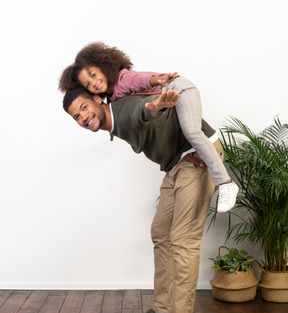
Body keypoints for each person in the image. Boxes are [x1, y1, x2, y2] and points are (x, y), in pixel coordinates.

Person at [61, 83, 225, 313]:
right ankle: (161, 312)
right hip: (177, 163)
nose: (82, 117)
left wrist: (157, 106)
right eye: (76, 116)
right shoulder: (113, 120)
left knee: (184, 241)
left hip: (197, 156)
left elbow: (143, 111)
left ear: (95, 99)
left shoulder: (123, 111)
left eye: (84, 108)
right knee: (161, 233)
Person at [59, 42, 238, 213]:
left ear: (103, 66)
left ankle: (226, 183)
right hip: (167, 105)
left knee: (192, 131)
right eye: (88, 85)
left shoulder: (124, 79)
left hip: (178, 90)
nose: (94, 83)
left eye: (93, 75)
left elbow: (141, 81)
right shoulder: (112, 98)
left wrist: (158, 80)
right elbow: (122, 117)